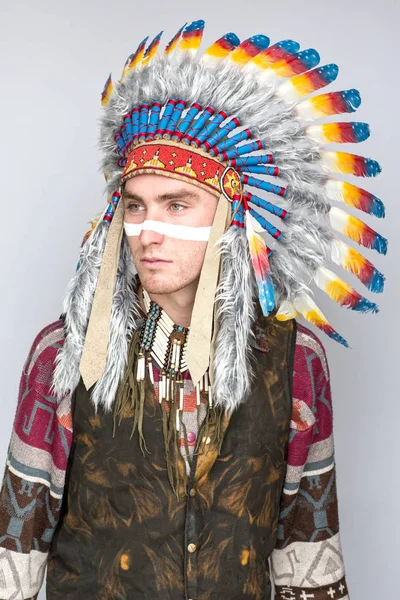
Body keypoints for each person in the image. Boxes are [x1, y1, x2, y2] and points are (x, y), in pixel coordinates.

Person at [0, 20, 386, 600]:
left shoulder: (294, 358)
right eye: (135, 205)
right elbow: (17, 550)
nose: (146, 232)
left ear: (234, 219)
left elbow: (307, 547)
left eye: (176, 205)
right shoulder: (68, 352)